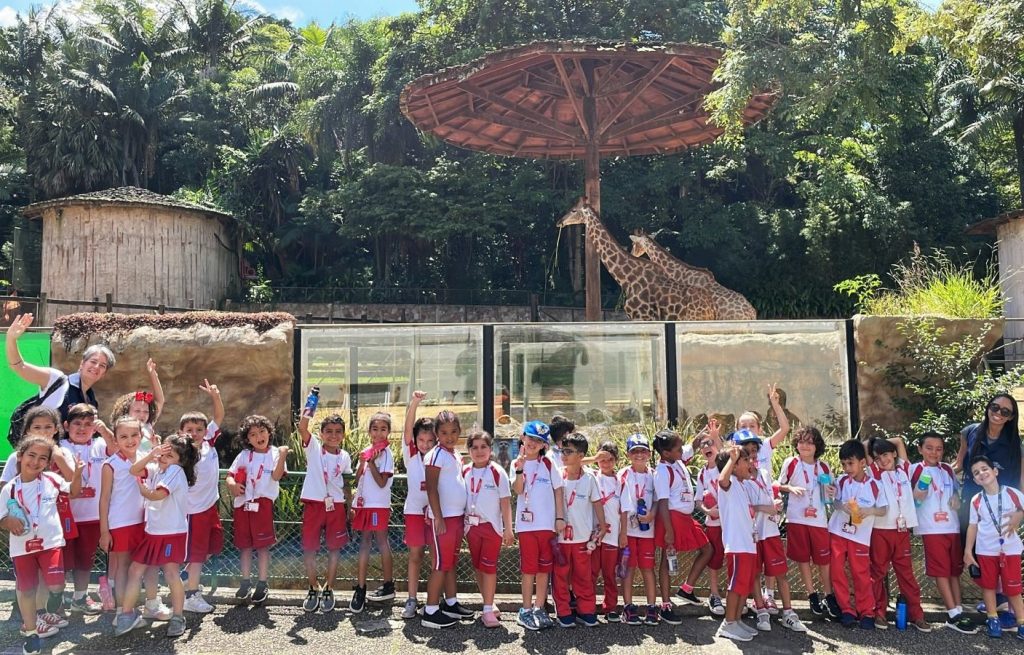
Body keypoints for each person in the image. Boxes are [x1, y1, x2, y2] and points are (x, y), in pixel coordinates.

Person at [0, 435, 83, 655]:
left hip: (50, 543)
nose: (36, 461)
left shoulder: (51, 480)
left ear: (47, 462)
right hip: (22, 548)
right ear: (21, 456)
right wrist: (8, 521)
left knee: (56, 584)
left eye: (42, 458)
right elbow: (1, 518)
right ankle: (31, 634)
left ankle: (54, 600)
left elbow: (74, 492)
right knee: (27, 589)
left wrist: (78, 474)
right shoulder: (9, 489)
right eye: (31, 455)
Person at [114, 435, 199, 638]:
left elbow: (158, 495)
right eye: (163, 453)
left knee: (171, 573)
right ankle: (126, 615)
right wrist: (152, 454)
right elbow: (134, 470)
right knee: (135, 570)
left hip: (171, 532)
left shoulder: (175, 471)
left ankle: (178, 617)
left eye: (169, 455)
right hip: (152, 532)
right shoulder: (158, 468)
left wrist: (143, 489)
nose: (163, 458)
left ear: (180, 461)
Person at [100, 417, 170, 626]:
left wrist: (156, 450)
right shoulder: (110, 464)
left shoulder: (146, 458)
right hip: (121, 523)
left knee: (150, 563)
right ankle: (122, 613)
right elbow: (104, 499)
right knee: (123, 566)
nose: (130, 440)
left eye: (134, 435)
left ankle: (152, 604)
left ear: (141, 436)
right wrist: (104, 531)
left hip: (146, 521)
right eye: (123, 436)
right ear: (115, 439)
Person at [737, 430, 805, 633]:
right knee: (755, 573)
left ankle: (788, 613)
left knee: (780, 573)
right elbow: (745, 507)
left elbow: (769, 497)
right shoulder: (738, 480)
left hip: (771, 531)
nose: (751, 456)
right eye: (747, 452)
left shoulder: (765, 474)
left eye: (754, 451)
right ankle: (761, 611)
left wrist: (776, 504)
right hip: (752, 534)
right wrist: (765, 507)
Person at [910, 431, 975, 633]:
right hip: (931, 528)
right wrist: (917, 495)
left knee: (955, 571)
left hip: (952, 526)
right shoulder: (913, 469)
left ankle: (959, 609)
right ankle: (952, 614)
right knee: (941, 571)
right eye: (929, 448)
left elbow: (955, 493)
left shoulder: (947, 469)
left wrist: (956, 499)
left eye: (938, 449)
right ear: (920, 449)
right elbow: (911, 498)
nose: (934, 452)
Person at [735, 384, 789, 612]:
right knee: (752, 559)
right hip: (749, 511)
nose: (748, 429)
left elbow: (785, 428)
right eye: (743, 426)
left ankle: (769, 595)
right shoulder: (736, 452)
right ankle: (751, 599)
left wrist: (775, 404)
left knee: (770, 559)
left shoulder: (764, 446)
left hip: (767, 508)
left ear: (759, 428)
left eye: (752, 425)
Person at [867, 436, 930, 631]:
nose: (882, 460)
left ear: (894, 454)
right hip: (880, 530)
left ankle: (916, 615)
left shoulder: (904, 470)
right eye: (877, 458)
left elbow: (900, 441)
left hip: (902, 531)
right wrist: (873, 442)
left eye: (886, 454)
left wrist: (881, 441)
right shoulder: (875, 472)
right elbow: (864, 446)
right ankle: (878, 613)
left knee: (906, 574)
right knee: (877, 572)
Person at [6, 313, 115, 422]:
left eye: (102, 365)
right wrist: (11, 338)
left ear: (104, 373)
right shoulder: (56, 379)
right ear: (82, 364)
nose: (96, 367)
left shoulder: (91, 399)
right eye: (93, 361)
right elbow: (20, 366)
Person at [226, 415, 288, 605]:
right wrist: (232, 485)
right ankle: (245, 582)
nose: (259, 437)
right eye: (253, 434)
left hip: (263, 504)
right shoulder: (244, 455)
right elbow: (230, 475)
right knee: (245, 546)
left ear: (269, 432)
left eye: (262, 431)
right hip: (243, 504)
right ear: (247, 438)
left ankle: (262, 583)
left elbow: (277, 476)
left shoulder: (276, 453)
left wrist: (283, 455)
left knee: (262, 546)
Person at [776, 426, 837, 619]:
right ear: (796, 444)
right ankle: (812, 594)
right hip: (796, 518)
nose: (805, 446)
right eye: (801, 441)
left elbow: (832, 490)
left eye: (810, 442)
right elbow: (778, 485)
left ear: (817, 445)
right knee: (803, 558)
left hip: (819, 520)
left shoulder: (824, 466)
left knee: (823, 560)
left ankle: (829, 595)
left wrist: (832, 491)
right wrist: (790, 488)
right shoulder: (791, 463)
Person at [59, 403, 115, 614]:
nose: (82, 428)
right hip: (66, 515)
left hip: (92, 515)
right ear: (66, 426)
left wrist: (105, 431)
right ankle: (57, 600)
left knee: (85, 560)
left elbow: (117, 450)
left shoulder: (100, 444)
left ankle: (80, 598)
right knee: (62, 560)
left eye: (88, 424)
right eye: (77, 424)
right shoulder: (60, 447)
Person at [297, 405, 352, 614]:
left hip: (336, 506)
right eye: (328, 431)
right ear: (321, 434)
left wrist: (350, 505)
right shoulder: (313, 449)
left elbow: (346, 483)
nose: (333, 435)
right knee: (309, 547)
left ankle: (329, 587)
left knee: (334, 548)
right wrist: (309, 407)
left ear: (343, 435)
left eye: (338, 431)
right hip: (313, 504)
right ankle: (313, 586)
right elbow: (303, 428)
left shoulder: (344, 456)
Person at [652, 429, 711, 624]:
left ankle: (686, 589)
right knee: (667, 559)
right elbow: (662, 502)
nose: (681, 450)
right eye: (678, 448)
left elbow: (690, 448)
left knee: (707, 549)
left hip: (685, 518)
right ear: (666, 453)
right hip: (672, 518)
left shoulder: (676, 460)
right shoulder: (662, 471)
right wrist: (669, 531)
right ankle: (665, 605)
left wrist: (700, 436)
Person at [511, 420, 564, 631]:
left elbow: (558, 490)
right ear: (522, 438)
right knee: (528, 569)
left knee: (544, 569)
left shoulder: (549, 463)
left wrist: (559, 517)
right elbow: (518, 490)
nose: (533, 443)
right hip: (526, 527)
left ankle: (539, 608)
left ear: (544, 445)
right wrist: (519, 470)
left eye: (538, 440)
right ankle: (525, 609)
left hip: (546, 525)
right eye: (530, 438)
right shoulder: (517, 462)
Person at [964, 455, 1024, 640]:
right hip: (985, 550)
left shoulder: (1012, 493)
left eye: (984, 469)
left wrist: (1019, 515)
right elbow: (973, 525)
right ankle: (993, 619)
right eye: (976, 473)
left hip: (1010, 550)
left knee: (1013, 589)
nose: (981, 473)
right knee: (988, 586)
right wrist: (968, 550)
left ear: (995, 471)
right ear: (975, 480)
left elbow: (1022, 508)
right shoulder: (976, 500)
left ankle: (1021, 622)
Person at [828, 439, 887, 629]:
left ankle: (867, 611)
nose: (847, 468)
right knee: (838, 570)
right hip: (838, 532)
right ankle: (847, 610)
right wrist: (842, 506)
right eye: (843, 464)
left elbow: (883, 509)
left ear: (862, 462)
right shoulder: (841, 480)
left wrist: (869, 511)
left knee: (861, 573)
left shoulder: (875, 485)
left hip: (860, 536)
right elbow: (835, 503)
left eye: (850, 463)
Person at [421, 410, 472, 629]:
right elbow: (431, 488)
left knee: (450, 562)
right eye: (444, 432)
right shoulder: (435, 455)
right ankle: (431, 610)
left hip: (456, 517)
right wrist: (438, 517)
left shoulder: (455, 454)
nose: (449, 437)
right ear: (436, 433)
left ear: (459, 432)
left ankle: (451, 603)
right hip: (443, 520)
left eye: (453, 432)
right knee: (440, 564)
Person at [181, 380, 226, 614]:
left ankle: (184, 579)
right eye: (189, 429)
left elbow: (219, 416)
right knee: (197, 554)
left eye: (199, 429)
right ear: (181, 432)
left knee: (213, 546)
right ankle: (191, 595)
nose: (195, 433)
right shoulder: (181, 452)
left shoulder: (209, 442)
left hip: (210, 507)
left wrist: (215, 396)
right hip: (193, 510)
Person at [462, 429, 514, 628]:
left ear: (490, 449)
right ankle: (488, 603)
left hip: (492, 527)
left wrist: (508, 529)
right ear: (469, 450)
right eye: (474, 447)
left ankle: (487, 611)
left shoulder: (497, 471)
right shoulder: (464, 471)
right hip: (471, 527)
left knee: (489, 567)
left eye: (483, 447)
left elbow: (505, 502)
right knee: (478, 566)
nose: (479, 451)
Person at [553, 432, 605, 628]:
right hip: (560, 538)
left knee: (583, 576)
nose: (564, 455)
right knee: (560, 576)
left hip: (583, 538)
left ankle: (586, 610)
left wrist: (603, 526)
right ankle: (563, 611)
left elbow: (597, 503)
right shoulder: (557, 475)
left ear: (581, 456)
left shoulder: (590, 478)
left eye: (569, 451)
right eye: (562, 451)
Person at [349, 412, 395, 612]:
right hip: (364, 504)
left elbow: (382, 482)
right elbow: (357, 478)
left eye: (383, 429)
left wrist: (370, 463)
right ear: (369, 431)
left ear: (388, 432)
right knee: (365, 542)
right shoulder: (368, 451)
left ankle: (388, 584)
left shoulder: (386, 454)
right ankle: (360, 587)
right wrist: (362, 463)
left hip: (378, 505)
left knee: (381, 541)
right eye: (375, 429)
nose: (378, 433)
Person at [713, 445, 759, 642]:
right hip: (737, 545)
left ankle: (737, 620)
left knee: (744, 586)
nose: (750, 463)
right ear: (733, 466)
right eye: (745, 460)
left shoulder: (742, 484)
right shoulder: (729, 482)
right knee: (736, 585)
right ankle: (728, 623)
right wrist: (732, 460)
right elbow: (721, 479)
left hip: (748, 545)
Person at [401, 391, 436, 619]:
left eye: (430, 441)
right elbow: (407, 428)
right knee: (415, 556)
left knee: (436, 558)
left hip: (435, 513)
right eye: (421, 440)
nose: (425, 444)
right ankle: (411, 599)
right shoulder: (411, 454)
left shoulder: (440, 456)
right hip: (414, 512)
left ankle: (434, 600)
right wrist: (414, 402)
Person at [618, 434, 658, 626]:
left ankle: (652, 607)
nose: (639, 454)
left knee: (648, 569)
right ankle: (628, 606)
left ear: (649, 454)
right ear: (628, 454)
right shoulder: (623, 474)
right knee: (628, 569)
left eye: (643, 451)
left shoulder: (654, 475)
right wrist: (622, 533)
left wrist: (652, 515)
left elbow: (658, 500)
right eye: (635, 451)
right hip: (629, 532)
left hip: (648, 531)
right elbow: (620, 505)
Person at [592, 441, 623, 623]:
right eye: (602, 459)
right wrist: (593, 458)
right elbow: (573, 463)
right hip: (593, 534)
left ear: (616, 460)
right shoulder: (591, 477)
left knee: (610, 574)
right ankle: (587, 606)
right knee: (591, 572)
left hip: (612, 536)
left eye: (610, 459)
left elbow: (625, 510)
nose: (606, 463)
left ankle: (610, 607)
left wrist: (623, 534)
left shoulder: (621, 482)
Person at [108, 358, 165, 452]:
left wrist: (153, 375)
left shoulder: (147, 425)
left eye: (146, 411)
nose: (142, 414)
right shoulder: (122, 429)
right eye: (137, 411)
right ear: (126, 411)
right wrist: (153, 446)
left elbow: (159, 400)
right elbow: (141, 448)